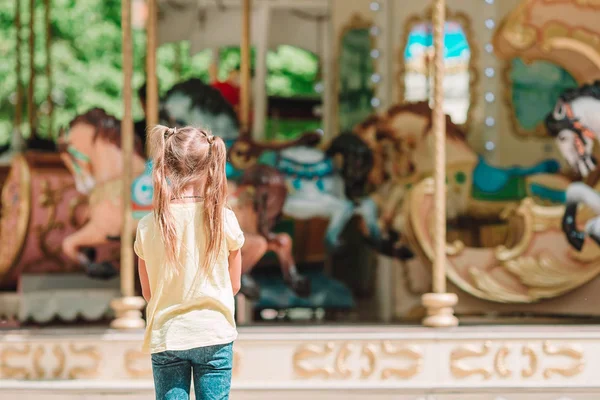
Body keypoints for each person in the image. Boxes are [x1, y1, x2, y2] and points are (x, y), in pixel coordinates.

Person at [134, 125, 244, 400]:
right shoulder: (224, 219)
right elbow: (233, 285)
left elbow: (148, 293)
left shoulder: (148, 226)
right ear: (210, 167)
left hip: (168, 334)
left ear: (167, 168)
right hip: (214, 331)